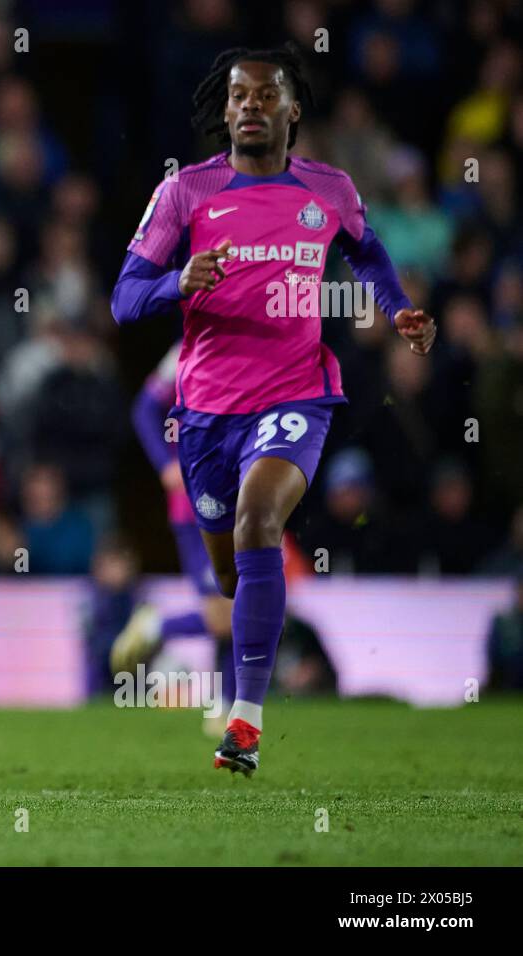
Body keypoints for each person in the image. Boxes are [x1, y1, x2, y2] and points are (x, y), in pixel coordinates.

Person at [111, 45, 436, 776]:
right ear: (223, 110)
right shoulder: (184, 195)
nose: (250, 106)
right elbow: (124, 300)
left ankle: (246, 723)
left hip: (296, 391)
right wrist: (177, 285)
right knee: (230, 577)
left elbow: (371, 253)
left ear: (293, 110)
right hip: (204, 414)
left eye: (266, 95)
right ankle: (192, 633)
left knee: (262, 521)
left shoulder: (330, 190)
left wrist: (401, 310)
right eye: (237, 96)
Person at [111, 341, 234, 737]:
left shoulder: (259, 352)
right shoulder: (189, 351)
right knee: (226, 614)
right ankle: (156, 626)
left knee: (240, 605)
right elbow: (145, 409)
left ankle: (225, 706)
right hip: (195, 505)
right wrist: (166, 465)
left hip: (242, 498)